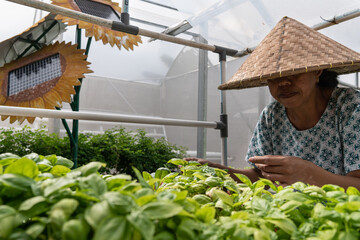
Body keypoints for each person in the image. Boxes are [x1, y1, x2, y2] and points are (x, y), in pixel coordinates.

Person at [186, 16, 360, 189]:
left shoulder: (351, 108)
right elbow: (262, 176)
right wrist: (220, 172)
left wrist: (309, 173)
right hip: (292, 212)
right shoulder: (272, 115)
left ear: (317, 71)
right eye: (273, 76)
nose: (283, 83)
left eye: (294, 72)